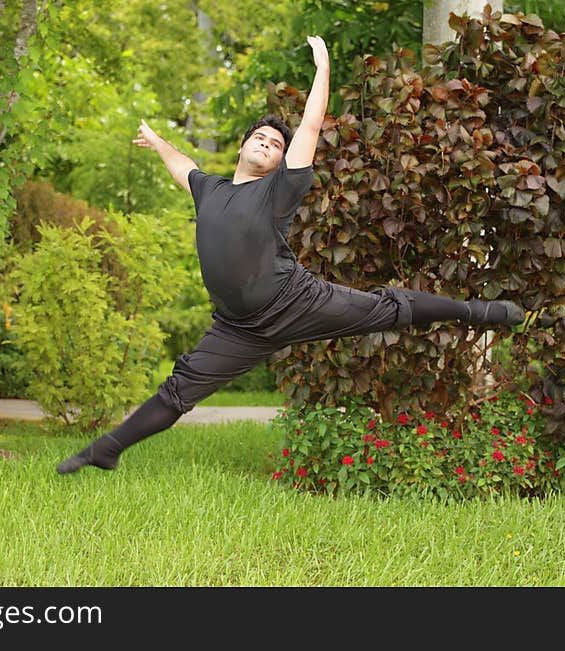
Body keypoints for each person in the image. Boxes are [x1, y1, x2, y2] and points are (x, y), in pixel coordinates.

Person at [56, 35, 523, 476]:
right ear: (242, 146)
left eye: (276, 145)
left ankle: (476, 312)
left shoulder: (277, 191)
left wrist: (323, 70)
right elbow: (185, 167)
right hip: (237, 329)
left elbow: (311, 125)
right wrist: (159, 143)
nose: (266, 143)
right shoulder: (210, 190)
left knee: (387, 308)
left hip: (295, 301)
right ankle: (107, 450)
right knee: (178, 390)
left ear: (281, 163)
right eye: (260, 137)